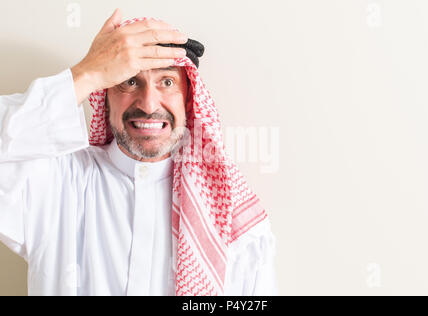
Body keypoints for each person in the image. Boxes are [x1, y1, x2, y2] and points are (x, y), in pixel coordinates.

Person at [0, 9, 277, 296]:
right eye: (129, 81)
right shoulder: (57, 184)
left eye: (167, 82)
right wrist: (88, 72)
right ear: (105, 97)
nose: (147, 103)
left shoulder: (233, 217)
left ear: (189, 99)